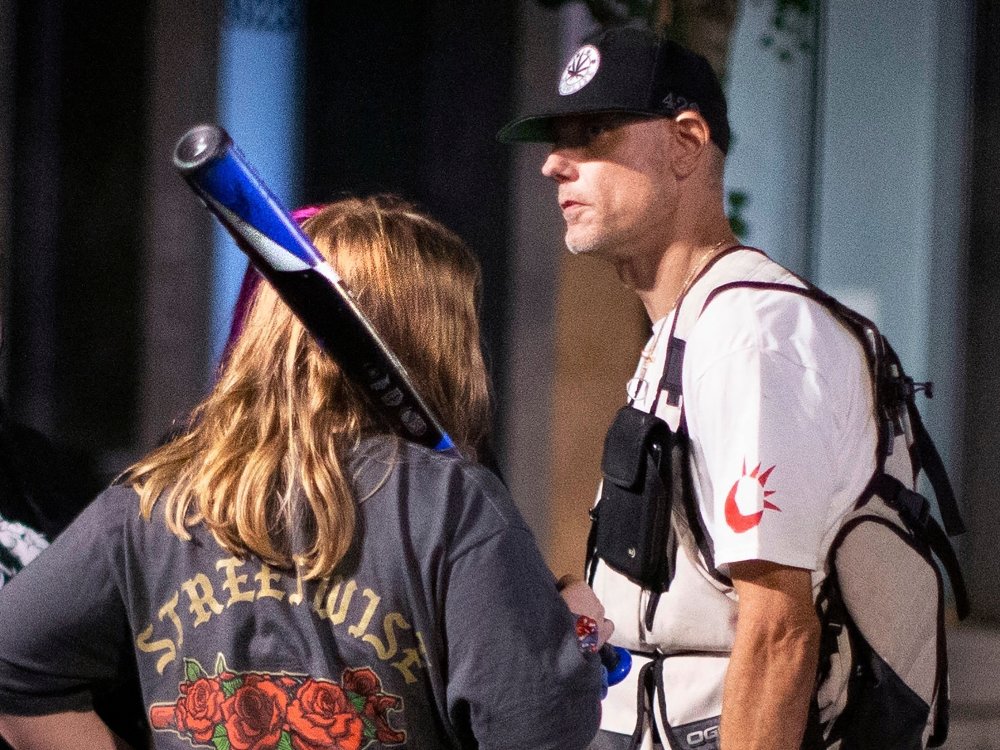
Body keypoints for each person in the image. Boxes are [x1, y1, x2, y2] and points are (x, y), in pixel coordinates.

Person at [0, 195, 607, 750]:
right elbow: (539, 726)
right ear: (439, 339)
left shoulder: (153, 499)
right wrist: (574, 636)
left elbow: (14, 668)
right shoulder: (454, 505)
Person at [499, 26, 878, 750]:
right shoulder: (689, 327)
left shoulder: (751, 335)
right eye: (556, 139)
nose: (554, 164)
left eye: (594, 132)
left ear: (686, 141)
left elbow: (777, 633)